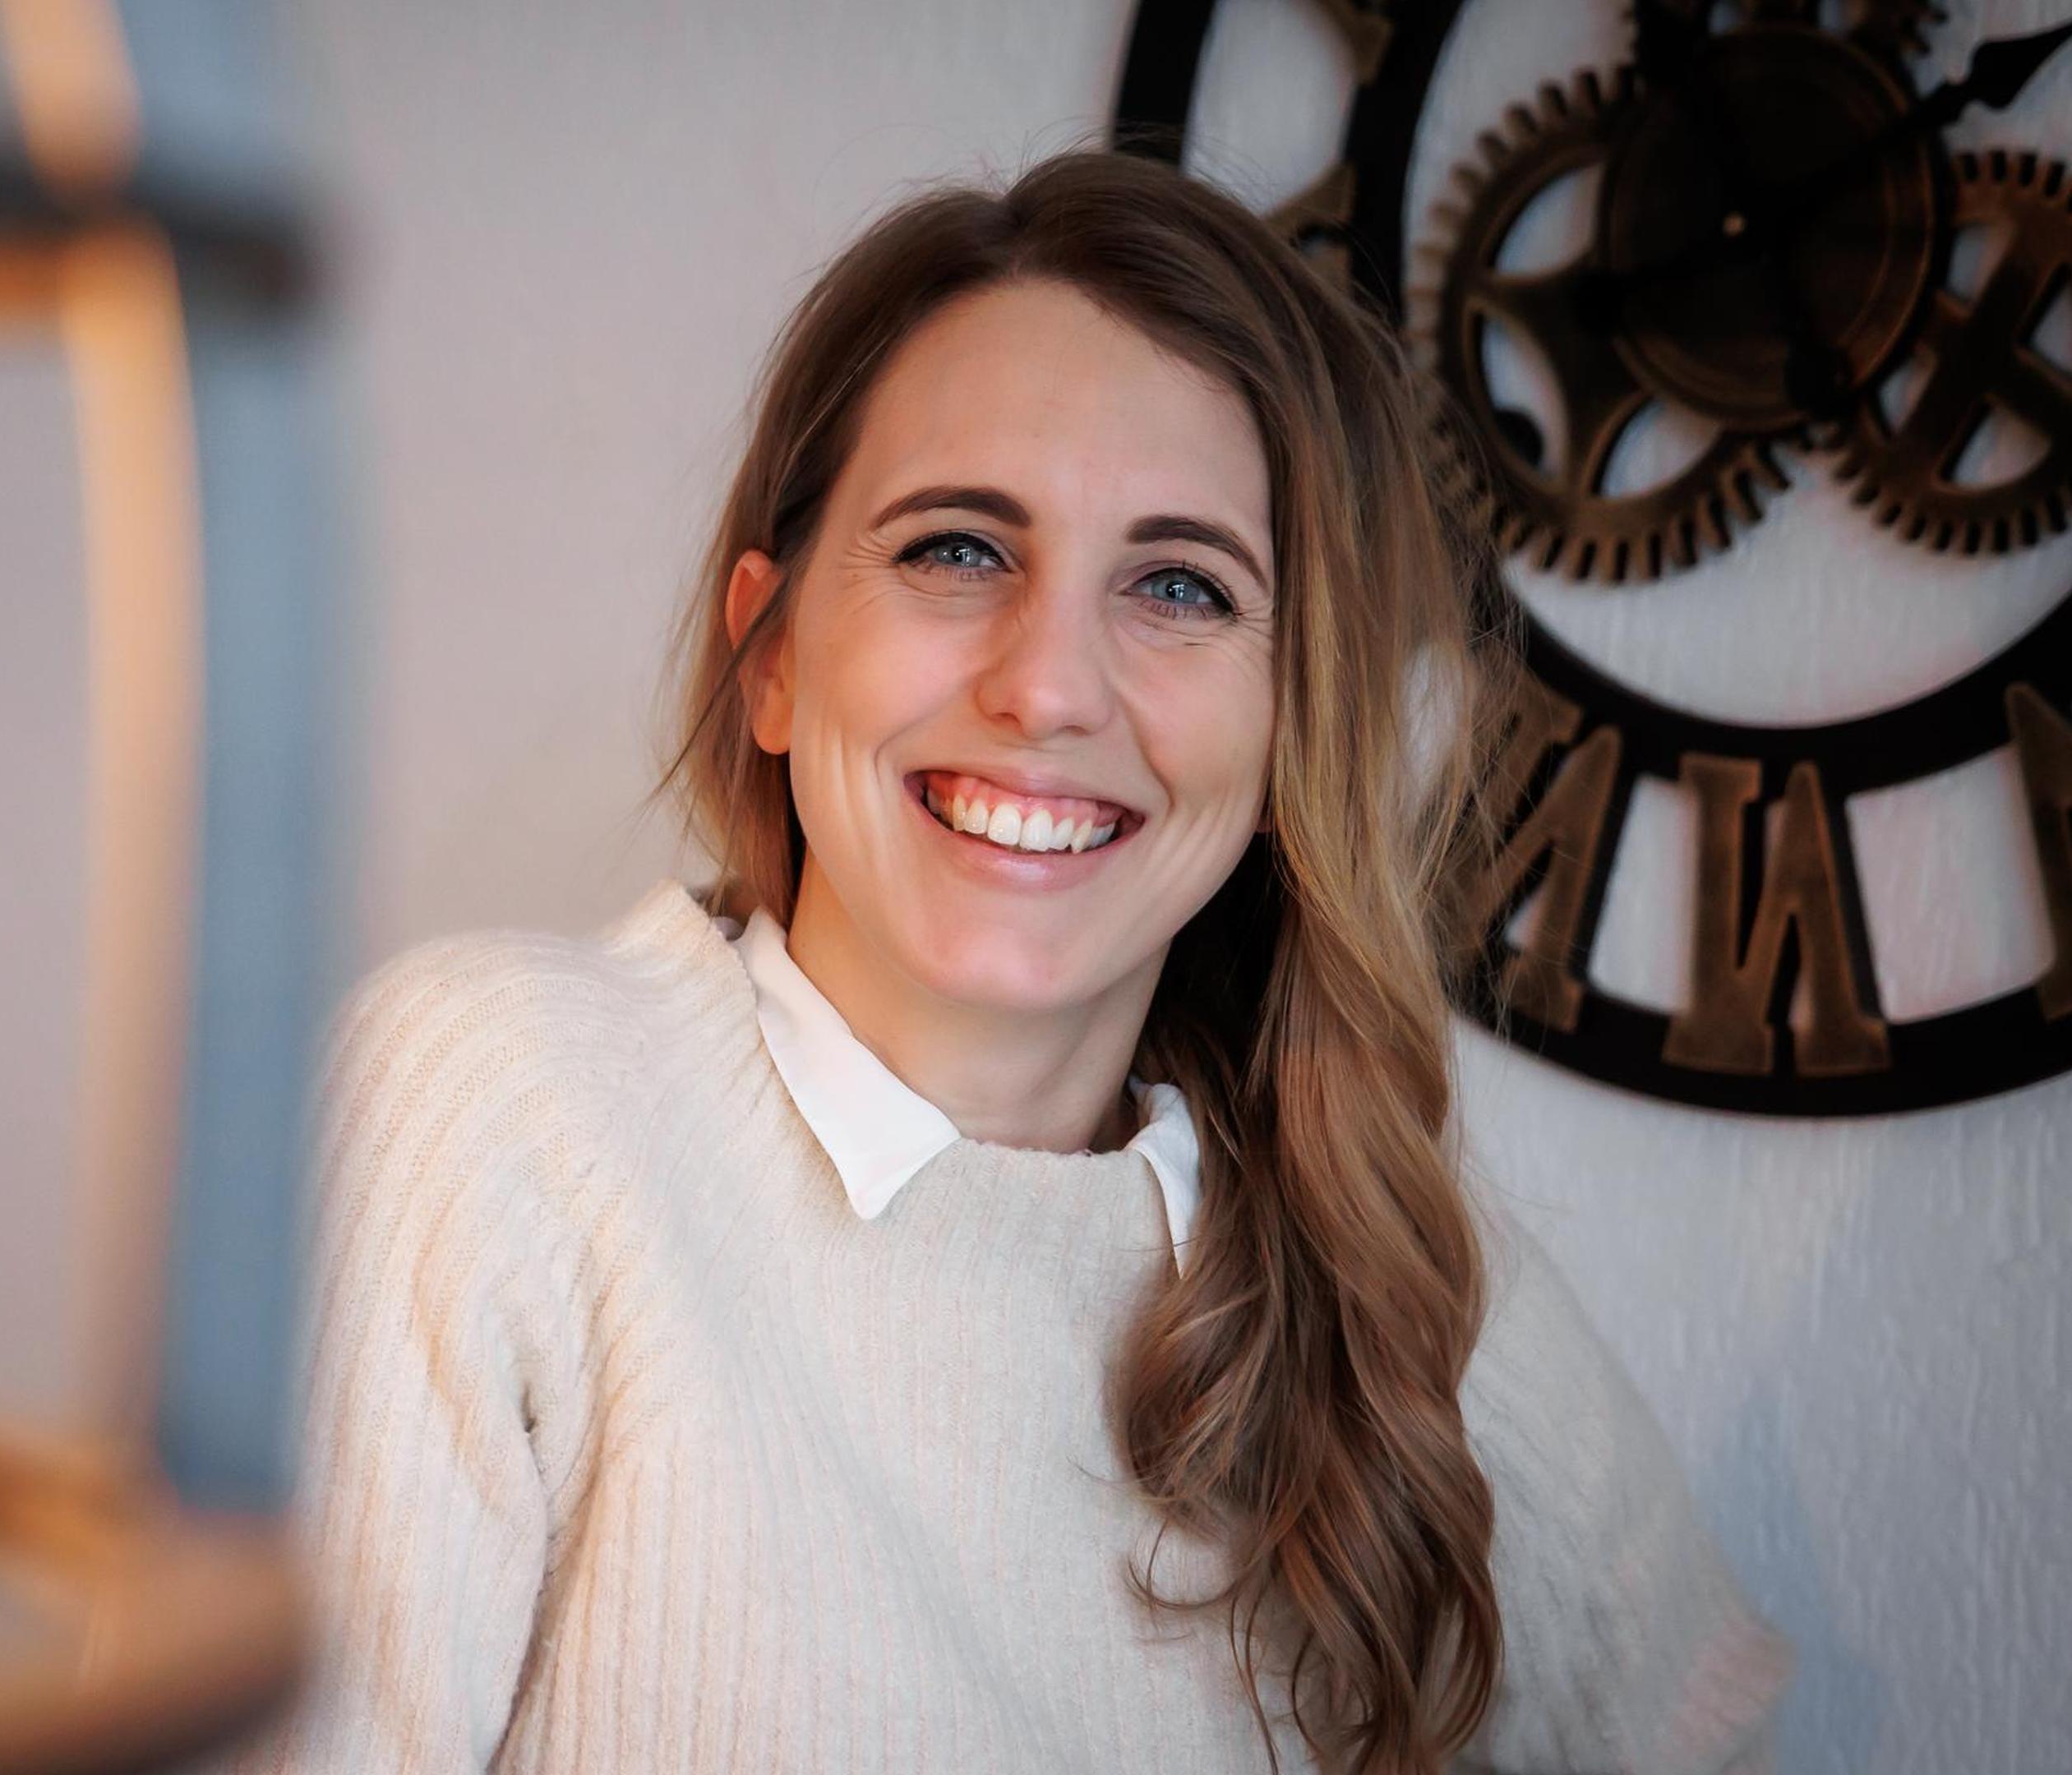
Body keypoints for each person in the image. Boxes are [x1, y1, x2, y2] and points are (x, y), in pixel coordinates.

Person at [236, 149, 1789, 1773]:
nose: (1047, 687)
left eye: (1179, 585)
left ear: (1293, 728)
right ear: (770, 654)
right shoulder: (496, 1119)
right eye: (958, 550)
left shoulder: (1386, 1272)